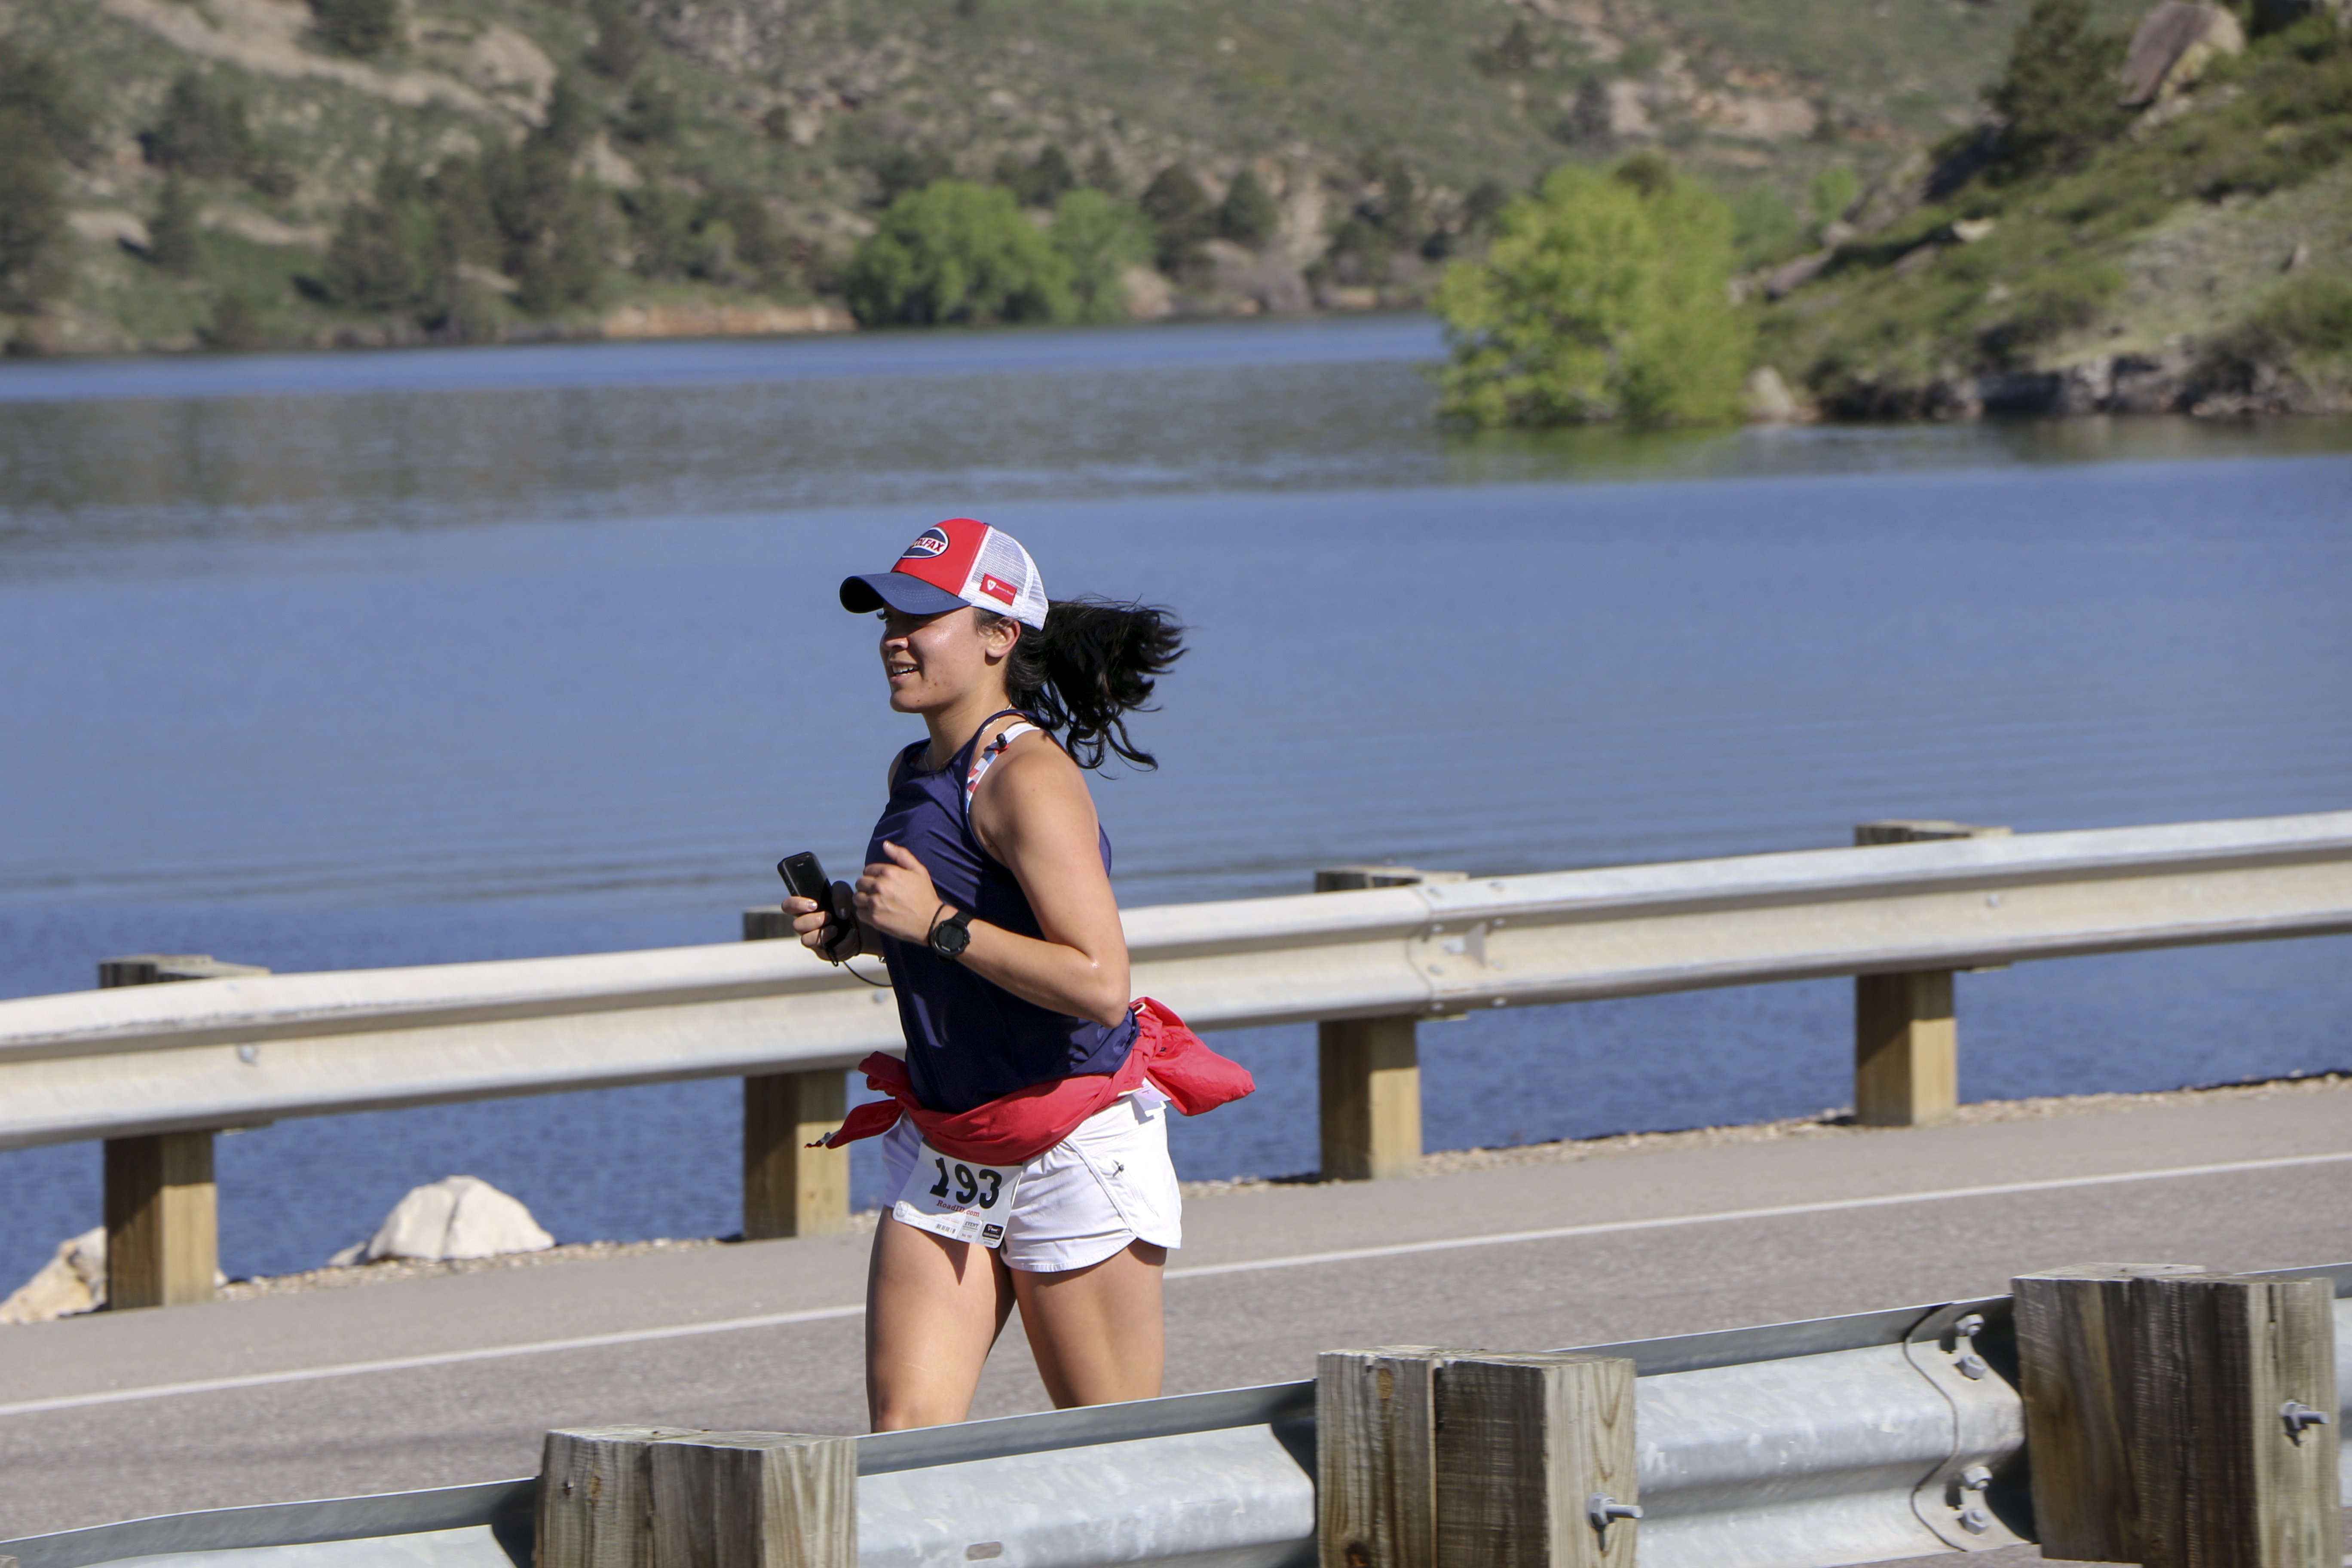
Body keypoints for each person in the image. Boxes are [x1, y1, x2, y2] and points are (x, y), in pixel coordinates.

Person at [785, 517, 1252, 1432]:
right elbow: (960, 939)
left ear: (999, 635)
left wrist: (938, 925)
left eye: (922, 617)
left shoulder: (1026, 777)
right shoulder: (917, 770)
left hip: (1072, 1141)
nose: (894, 637)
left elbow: (1097, 982)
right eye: (887, 615)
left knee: (1110, 1455)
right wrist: (865, 931)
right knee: (903, 1446)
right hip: (952, 1143)